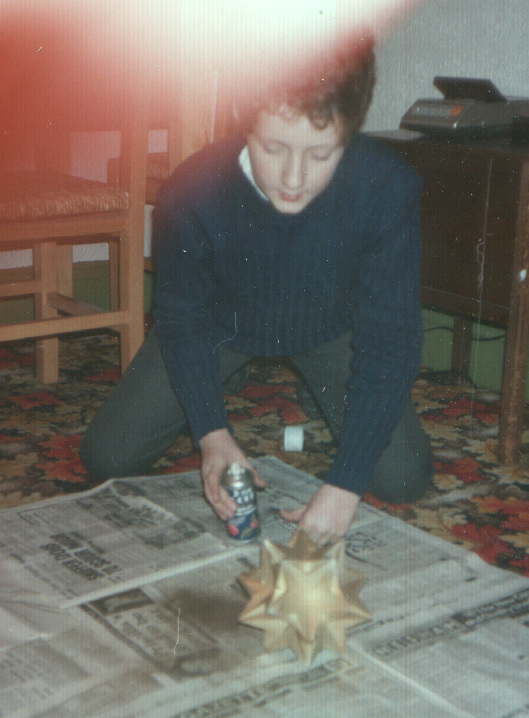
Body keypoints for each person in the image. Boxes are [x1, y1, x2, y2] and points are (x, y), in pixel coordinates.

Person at [80, 41, 433, 546]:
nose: (292, 179)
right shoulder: (191, 189)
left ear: (349, 134)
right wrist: (211, 434)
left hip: (334, 328)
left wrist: (345, 485)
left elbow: (390, 341)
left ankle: (319, 392)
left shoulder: (388, 186)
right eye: (273, 149)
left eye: (319, 154)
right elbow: (182, 322)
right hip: (223, 328)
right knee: (108, 455)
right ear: (245, 126)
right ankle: (235, 372)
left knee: (401, 478)